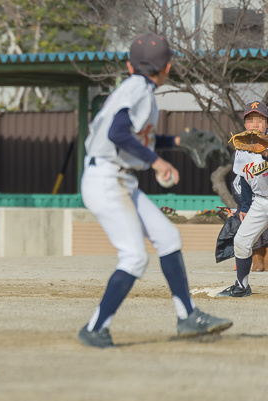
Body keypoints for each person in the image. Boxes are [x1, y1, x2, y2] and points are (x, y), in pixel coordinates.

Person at [77, 32, 232, 348]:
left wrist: (174, 143)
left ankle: (187, 316)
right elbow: (118, 133)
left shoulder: (134, 88)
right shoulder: (138, 90)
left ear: (129, 65)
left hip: (117, 178)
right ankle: (94, 328)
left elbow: (129, 136)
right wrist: (158, 163)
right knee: (134, 257)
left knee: (168, 237)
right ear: (168, 67)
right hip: (106, 179)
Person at [217, 101, 268, 297]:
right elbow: (245, 180)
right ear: (245, 124)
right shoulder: (241, 149)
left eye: (260, 119)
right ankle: (242, 286)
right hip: (261, 201)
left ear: (266, 123)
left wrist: (263, 151)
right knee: (241, 241)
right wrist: (245, 207)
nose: (255, 124)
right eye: (250, 120)